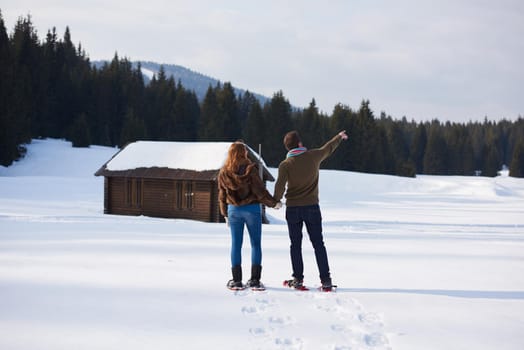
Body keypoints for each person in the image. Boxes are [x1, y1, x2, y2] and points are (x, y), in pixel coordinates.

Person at [273, 130, 348, 291]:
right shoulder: (313, 156)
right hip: (312, 208)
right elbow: (328, 148)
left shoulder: (285, 164)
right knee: (318, 244)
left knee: (295, 245)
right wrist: (339, 137)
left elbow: (279, 186)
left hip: (292, 209)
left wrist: (275, 201)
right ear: (299, 144)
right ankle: (326, 280)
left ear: (287, 148)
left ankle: (298, 279)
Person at [218, 141, 281, 291]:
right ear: (244, 153)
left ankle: (237, 281)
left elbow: (221, 195)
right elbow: (260, 192)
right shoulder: (251, 170)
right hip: (252, 210)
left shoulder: (224, 172)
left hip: (234, 211)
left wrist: (225, 214)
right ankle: (254, 281)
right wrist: (274, 204)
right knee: (255, 244)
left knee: (236, 245)